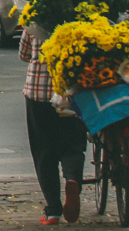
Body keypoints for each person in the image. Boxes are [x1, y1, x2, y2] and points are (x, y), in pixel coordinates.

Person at [20, 22, 86, 224]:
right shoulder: (79, 21)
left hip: (38, 94)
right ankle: (72, 179)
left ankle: (53, 211)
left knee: (43, 151)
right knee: (73, 145)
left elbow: (24, 54)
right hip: (71, 94)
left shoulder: (33, 22)